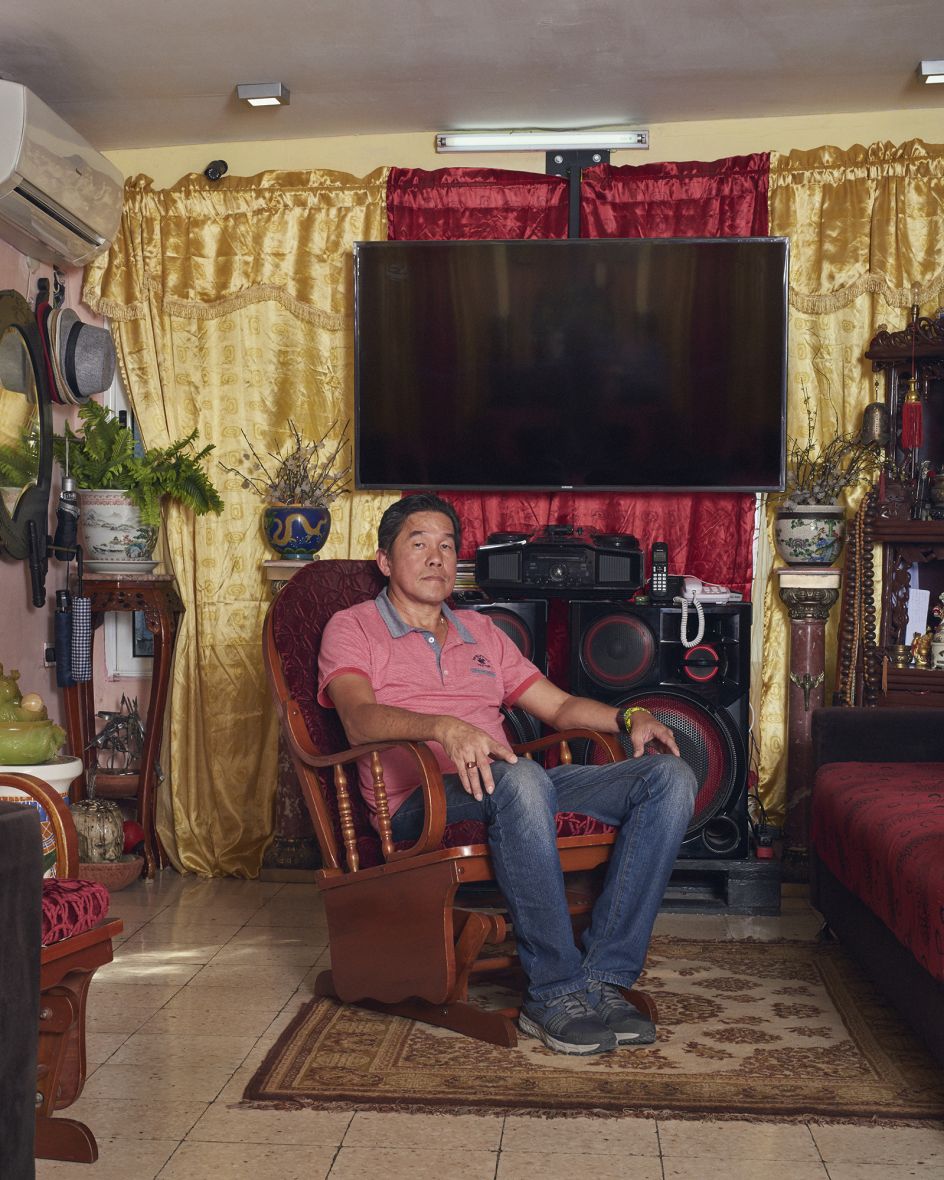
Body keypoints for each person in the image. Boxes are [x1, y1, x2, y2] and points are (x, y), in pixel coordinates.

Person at [318, 493, 697, 1056]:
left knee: (669, 778)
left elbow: (561, 708)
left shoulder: (481, 632)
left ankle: (605, 978)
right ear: (385, 561)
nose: (435, 558)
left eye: (447, 545)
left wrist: (630, 715)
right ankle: (553, 991)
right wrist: (444, 727)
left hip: (511, 784)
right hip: (421, 801)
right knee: (520, 777)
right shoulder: (353, 628)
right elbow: (356, 718)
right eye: (418, 544)